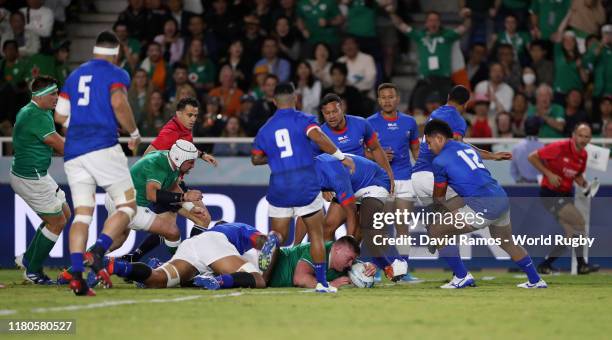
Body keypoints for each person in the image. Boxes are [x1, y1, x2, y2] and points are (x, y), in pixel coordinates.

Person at [54, 31, 141, 296]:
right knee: (127, 206)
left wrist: (78, 129)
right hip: (103, 146)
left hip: (74, 153)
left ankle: (77, 276)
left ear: (94, 50)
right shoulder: (117, 73)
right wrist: (134, 133)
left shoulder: (74, 75)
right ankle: (99, 250)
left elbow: (59, 116)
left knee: (82, 214)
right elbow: (118, 102)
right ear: (115, 53)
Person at [251, 82, 355, 293]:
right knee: (316, 234)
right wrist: (341, 157)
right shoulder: (303, 120)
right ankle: (323, 284)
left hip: (279, 182)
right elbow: (318, 137)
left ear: (274, 101)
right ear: (296, 98)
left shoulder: (266, 128)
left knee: (279, 233)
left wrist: (275, 156)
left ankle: (273, 240)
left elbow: (255, 158)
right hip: (304, 182)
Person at [424, 119, 547, 289]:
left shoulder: (439, 162)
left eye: (429, 142)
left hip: (483, 205)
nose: (429, 147)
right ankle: (535, 280)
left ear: (438, 138)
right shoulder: (465, 147)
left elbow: (439, 197)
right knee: (505, 241)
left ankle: (461, 276)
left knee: (436, 229)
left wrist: (435, 224)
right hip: (500, 197)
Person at [11, 76, 70, 284]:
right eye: (53, 94)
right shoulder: (34, 114)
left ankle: (28, 259)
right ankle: (33, 270)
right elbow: (61, 147)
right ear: (40, 95)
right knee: (57, 222)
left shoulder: (39, 111)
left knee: (64, 213)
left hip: (37, 174)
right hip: (31, 177)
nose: (57, 97)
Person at [528, 123, 600, 274]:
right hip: (550, 193)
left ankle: (545, 265)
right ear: (574, 135)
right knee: (579, 222)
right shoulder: (559, 147)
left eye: (587, 137)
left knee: (570, 235)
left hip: (566, 195)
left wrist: (584, 183)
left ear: (590, 139)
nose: (583, 139)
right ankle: (582, 265)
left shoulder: (583, 155)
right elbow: (532, 157)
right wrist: (549, 174)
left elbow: (577, 175)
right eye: (580, 135)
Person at [107, 222, 268, 289]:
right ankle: (217, 281)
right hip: (213, 243)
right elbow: (259, 240)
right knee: (257, 278)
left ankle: (115, 266)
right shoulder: (238, 228)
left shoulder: (216, 232)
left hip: (190, 245)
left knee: (157, 279)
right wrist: (270, 241)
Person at [386, 7, 472, 113]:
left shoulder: (447, 35)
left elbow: (465, 27)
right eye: (431, 20)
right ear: (426, 23)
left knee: (452, 109)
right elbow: (401, 26)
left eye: (436, 20)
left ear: (439, 23)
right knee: (415, 107)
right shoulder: (420, 36)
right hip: (425, 80)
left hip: (444, 80)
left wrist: (467, 16)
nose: (433, 23)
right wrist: (391, 12)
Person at [268, 236, 374, 288]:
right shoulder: (318, 250)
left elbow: (361, 266)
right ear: (337, 249)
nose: (351, 264)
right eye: (349, 259)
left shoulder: (344, 264)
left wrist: (368, 267)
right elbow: (299, 279)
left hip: (268, 279)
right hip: (268, 266)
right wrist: (329, 285)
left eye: (353, 260)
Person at [511, 116, 543, 183]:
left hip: (522, 185)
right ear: (539, 130)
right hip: (539, 185)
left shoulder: (517, 147)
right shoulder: (543, 147)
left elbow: (513, 171)